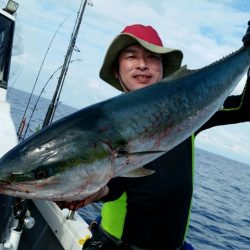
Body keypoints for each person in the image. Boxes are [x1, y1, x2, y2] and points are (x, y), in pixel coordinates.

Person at [57, 24, 250, 250]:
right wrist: (95, 190)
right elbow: (113, 181)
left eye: (151, 57)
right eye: (131, 56)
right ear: (117, 71)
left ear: (162, 69)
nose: (142, 64)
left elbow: (245, 108)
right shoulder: (104, 126)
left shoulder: (189, 110)